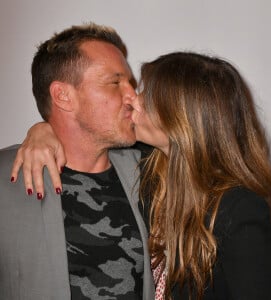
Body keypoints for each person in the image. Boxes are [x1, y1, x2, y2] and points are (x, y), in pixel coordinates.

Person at [10, 52, 271, 299]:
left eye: (148, 97)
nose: (133, 100)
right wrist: (42, 130)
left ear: (184, 120)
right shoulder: (145, 172)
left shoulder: (240, 210)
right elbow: (84, 135)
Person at [0, 23, 155, 300]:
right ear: (63, 96)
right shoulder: (6, 178)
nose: (134, 97)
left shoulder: (150, 173)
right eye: (115, 82)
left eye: (131, 83)